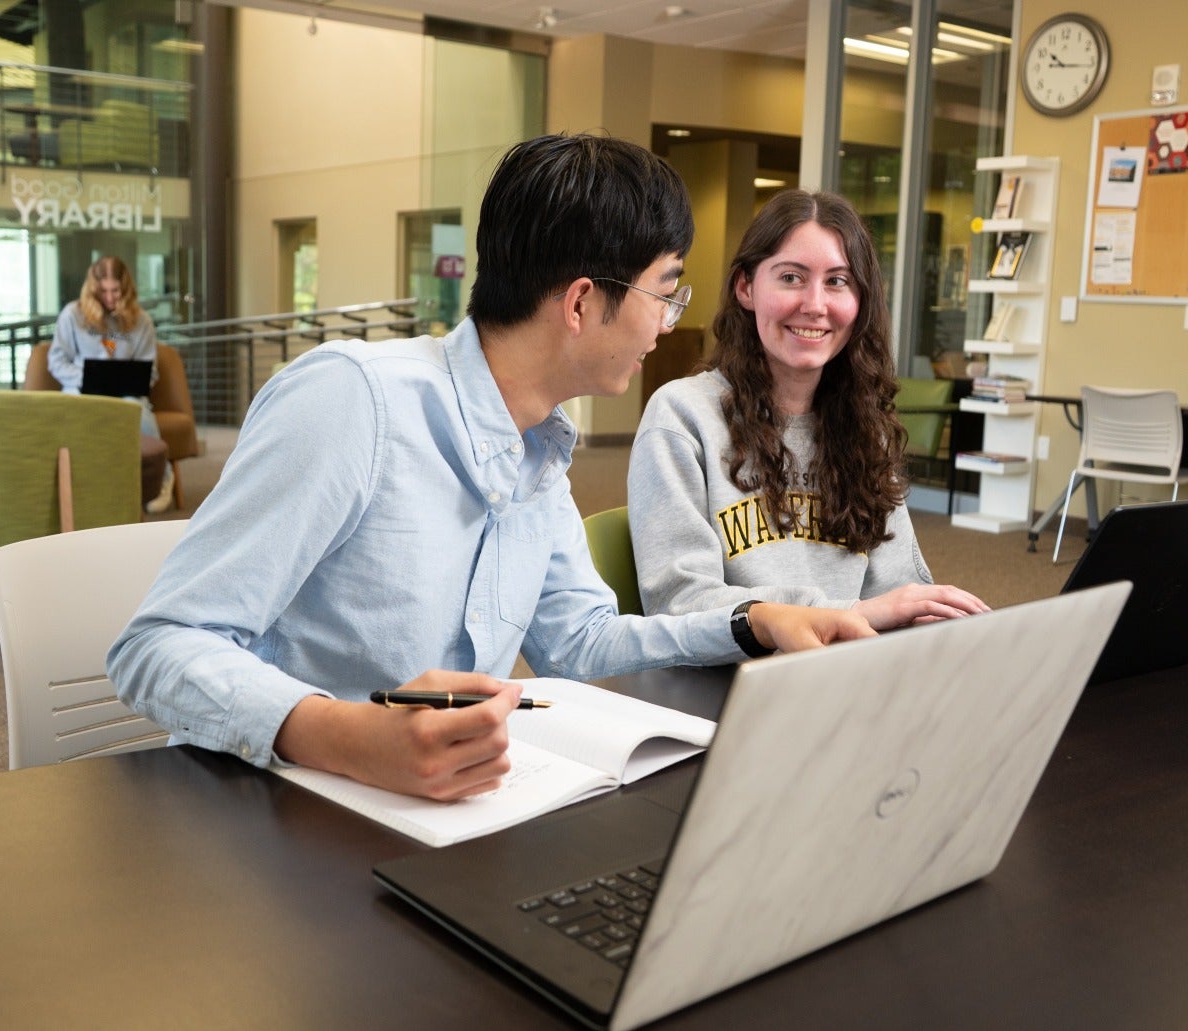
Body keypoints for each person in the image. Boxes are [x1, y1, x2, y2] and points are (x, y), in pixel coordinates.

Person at [108, 136, 875, 802]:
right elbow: (158, 645)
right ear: (581, 303)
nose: (667, 323)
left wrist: (752, 619)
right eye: (665, 293)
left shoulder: (538, 444)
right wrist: (347, 734)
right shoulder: (354, 401)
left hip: (429, 818)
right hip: (271, 815)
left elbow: (578, 642)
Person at [627, 190, 990, 629]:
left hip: (852, 672)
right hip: (737, 682)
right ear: (746, 287)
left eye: (837, 281)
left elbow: (897, 591)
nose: (815, 305)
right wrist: (845, 615)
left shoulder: (863, 427)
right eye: (791, 278)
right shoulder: (683, 417)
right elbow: (681, 603)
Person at [50, 255, 175, 512]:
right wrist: (84, 377)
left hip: (125, 392)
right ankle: (76, 484)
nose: (109, 297)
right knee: (74, 405)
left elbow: (149, 371)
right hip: (81, 388)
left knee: (136, 408)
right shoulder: (72, 315)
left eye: (115, 290)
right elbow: (56, 361)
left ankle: (162, 478)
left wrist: (128, 381)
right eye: (104, 291)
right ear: (94, 288)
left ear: (125, 288)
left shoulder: (141, 321)